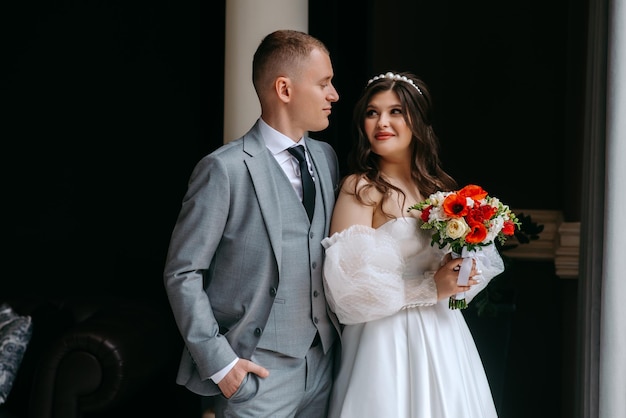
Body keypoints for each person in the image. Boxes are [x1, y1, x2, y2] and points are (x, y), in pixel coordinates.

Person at [163, 29, 342, 417]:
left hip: (324, 365)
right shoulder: (223, 169)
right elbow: (183, 272)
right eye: (324, 83)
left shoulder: (326, 158)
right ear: (284, 89)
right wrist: (221, 365)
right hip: (256, 372)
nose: (334, 95)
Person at [321, 71, 505, 418]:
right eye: (372, 112)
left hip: (444, 337)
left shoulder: (439, 191)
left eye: (395, 111)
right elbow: (346, 291)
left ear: (417, 121)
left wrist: (459, 273)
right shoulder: (361, 188)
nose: (381, 122)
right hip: (383, 343)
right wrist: (428, 288)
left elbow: (457, 284)